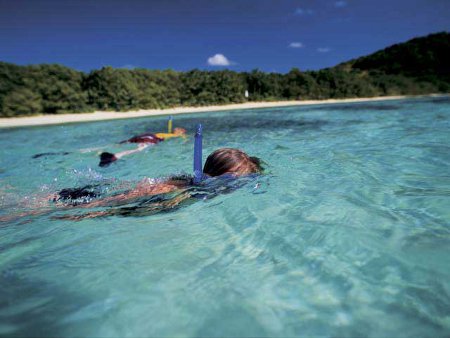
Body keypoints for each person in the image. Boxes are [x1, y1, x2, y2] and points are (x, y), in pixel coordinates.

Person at [0, 148, 263, 223]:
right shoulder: (177, 189)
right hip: (94, 199)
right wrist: (91, 212)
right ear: (216, 175)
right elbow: (122, 199)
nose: (234, 187)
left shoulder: (193, 186)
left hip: (108, 196)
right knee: (25, 211)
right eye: (233, 181)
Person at [99, 128, 187, 167]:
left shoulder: (156, 134)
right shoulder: (169, 136)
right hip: (148, 141)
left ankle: (111, 155)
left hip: (140, 137)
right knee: (137, 150)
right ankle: (113, 157)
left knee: (129, 146)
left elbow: (130, 140)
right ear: (180, 132)